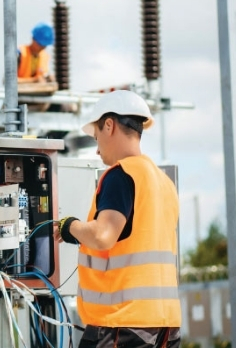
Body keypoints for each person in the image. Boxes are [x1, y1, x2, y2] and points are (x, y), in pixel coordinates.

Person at [55, 90, 181, 348]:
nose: (97, 148)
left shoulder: (120, 174)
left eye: (96, 136)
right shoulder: (164, 183)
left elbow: (103, 235)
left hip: (122, 323)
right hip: (165, 324)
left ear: (109, 125)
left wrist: (71, 227)